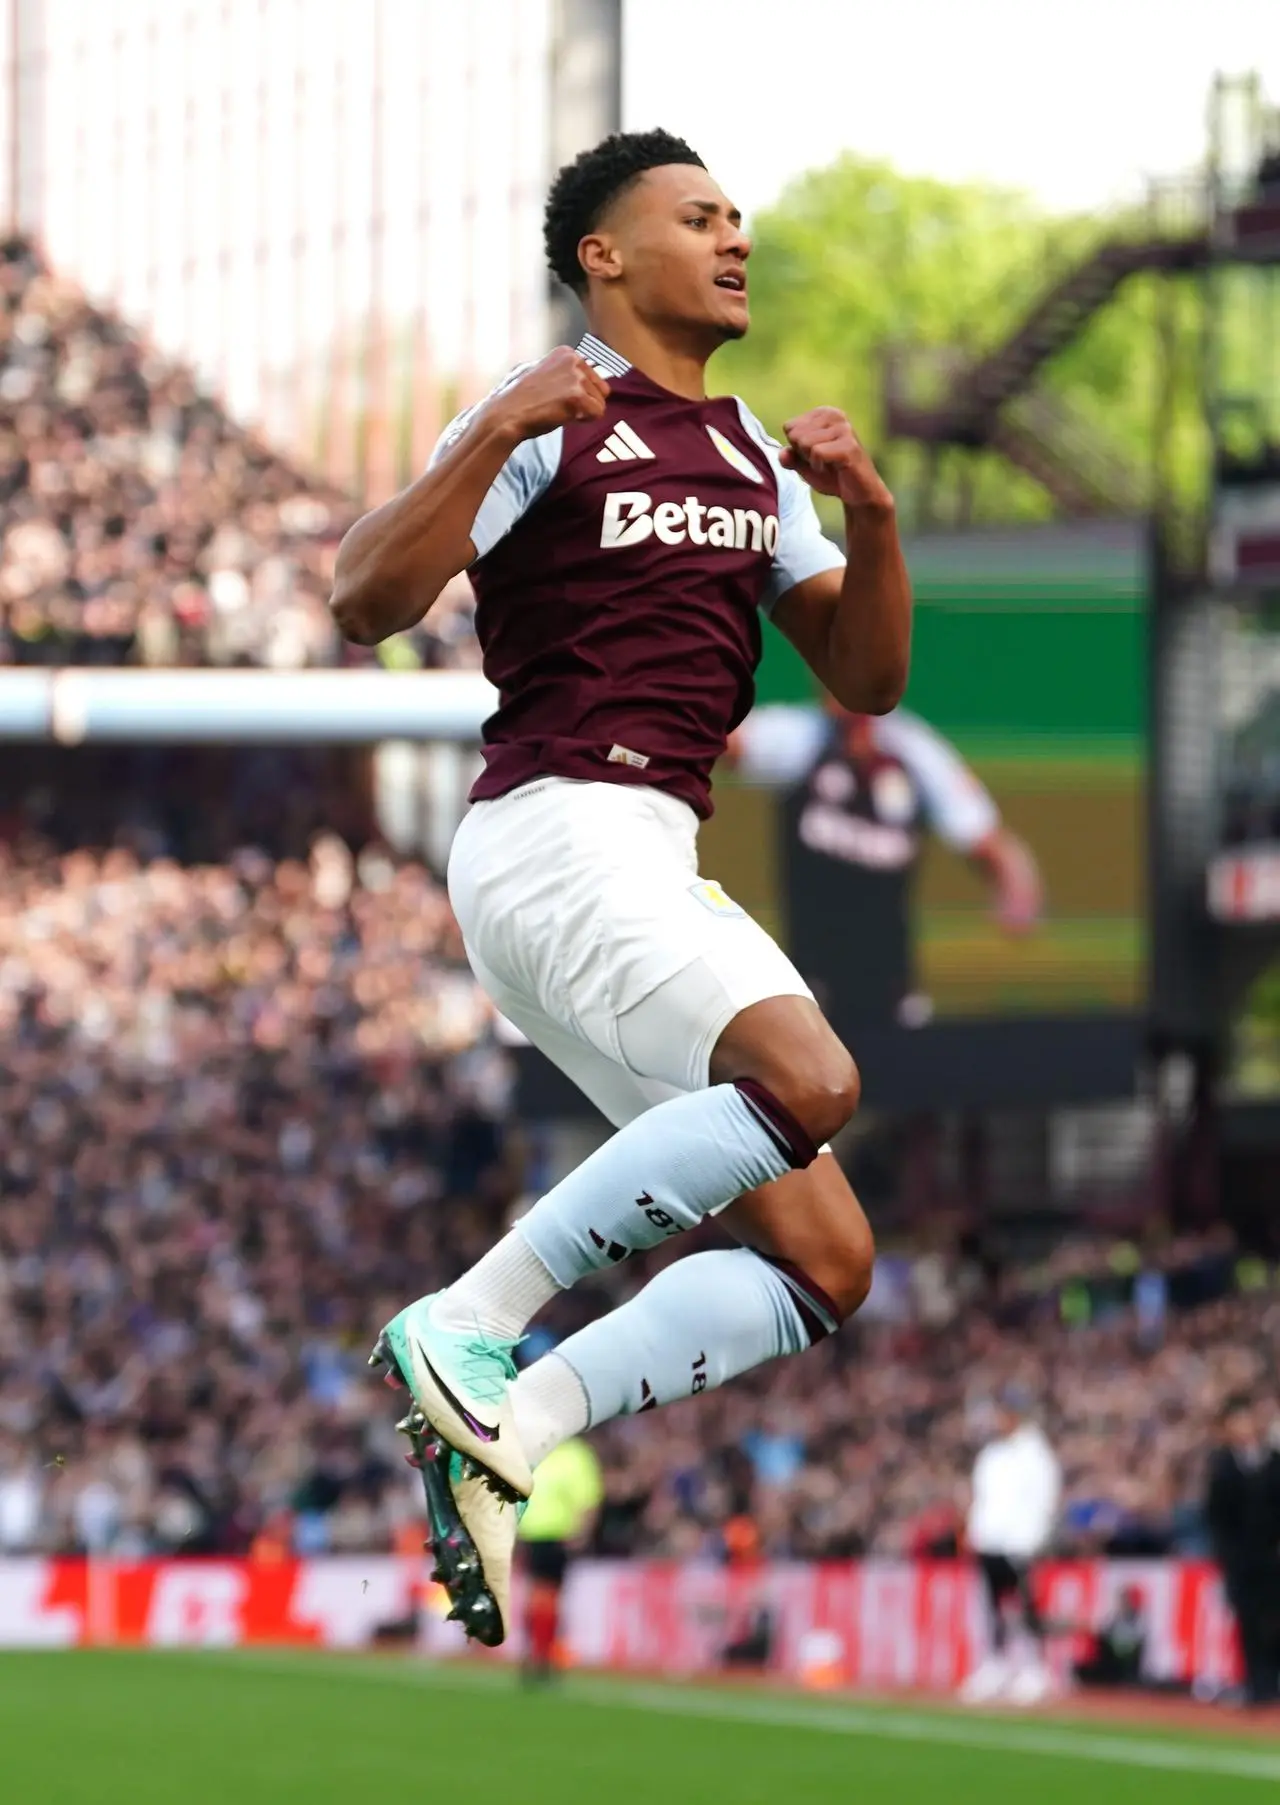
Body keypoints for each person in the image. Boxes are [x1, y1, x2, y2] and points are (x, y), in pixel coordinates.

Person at [331, 128, 911, 1645]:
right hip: (555, 824)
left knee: (829, 1264)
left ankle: (520, 1424)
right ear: (605, 255)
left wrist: (874, 514)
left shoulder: (745, 458)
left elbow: (868, 678)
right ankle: (474, 1320)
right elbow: (363, 599)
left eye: (738, 217)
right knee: (811, 1075)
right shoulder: (555, 412)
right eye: (697, 215)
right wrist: (493, 428)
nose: (735, 237)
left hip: (648, 858)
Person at [728, 698, 1042, 1030]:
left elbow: (984, 837)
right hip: (810, 989)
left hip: (891, 988)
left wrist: (1016, 892)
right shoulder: (800, 737)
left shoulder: (915, 751)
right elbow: (726, 744)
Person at [960, 1390, 1061, 1706]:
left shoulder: (1036, 1454)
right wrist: (976, 1532)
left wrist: (1033, 1539)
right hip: (991, 1540)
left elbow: (1045, 1499)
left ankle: (1033, 1669)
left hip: (1020, 1542)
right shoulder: (992, 1454)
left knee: (1025, 1605)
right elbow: (983, 1498)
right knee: (992, 1607)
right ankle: (995, 1665)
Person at [1205, 1395, 1280, 1706]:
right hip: (1241, 1559)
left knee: (1273, 1619)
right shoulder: (1222, 1465)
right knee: (1248, 1621)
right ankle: (1256, 1685)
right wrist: (1227, 1554)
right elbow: (1216, 1515)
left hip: (1273, 1555)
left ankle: (1272, 1679)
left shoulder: (1275, 1461)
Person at [515, 1433, 603, 1682]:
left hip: (557, 1537)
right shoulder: (533, 1449)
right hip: (530, 1537)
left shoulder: (575, 1456)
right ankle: (538, 1653)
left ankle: (542, 1655)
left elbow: (588, 1499)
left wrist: (582, 1531)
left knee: (545, 1598)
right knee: (537, 1599)